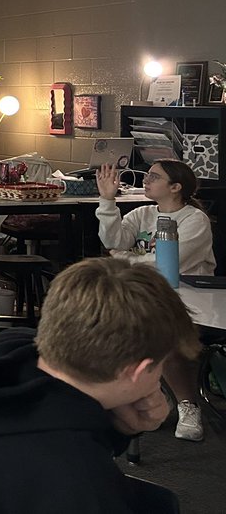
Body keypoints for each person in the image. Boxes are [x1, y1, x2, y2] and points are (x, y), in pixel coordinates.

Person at [0, 257, 200, 513]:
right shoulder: (79, 485)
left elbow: (58, 421)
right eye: (161, 365)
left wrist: (118, 427)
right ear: (137, 370)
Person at [95, 159, 215, 441]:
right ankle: (146, 395)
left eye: (154, 177)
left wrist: (124, 260)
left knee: (165, 335)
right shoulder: (142, 214)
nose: (146, 180)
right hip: (146, 296)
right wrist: (107, 201)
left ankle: (188, 404)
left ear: (175, 187)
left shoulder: (194, 221)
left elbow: (168, 264)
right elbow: (113, 242)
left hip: (190, 301)